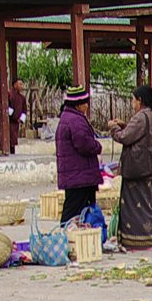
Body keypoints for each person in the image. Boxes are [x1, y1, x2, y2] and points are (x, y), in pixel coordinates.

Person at [110, 84, 152, 250]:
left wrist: (113, 128)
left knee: (134, 207)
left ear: (140, 100)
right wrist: (124, 124)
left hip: (138, 170)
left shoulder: (141, 117)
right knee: (147, 204)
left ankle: (139, 239)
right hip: (150, 168)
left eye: (133, 100)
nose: (132, 103)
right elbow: (140, 133)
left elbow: (125, 137)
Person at [54, 85, 103, 223]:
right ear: (78, 104)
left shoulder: (69, 117)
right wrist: (97, 146)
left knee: (78, 208)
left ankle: (76, 238)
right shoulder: (75, 120)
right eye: (85, 103)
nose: (87, 106)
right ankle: (67, 237)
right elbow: (84, 144)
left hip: (76, 174)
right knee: (75, 209)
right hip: (79, 175)